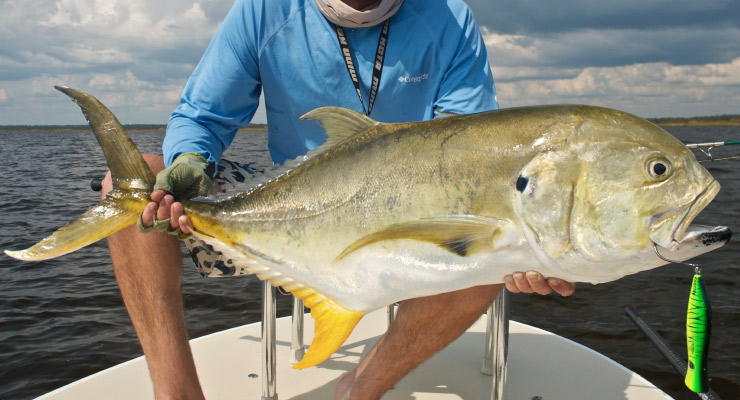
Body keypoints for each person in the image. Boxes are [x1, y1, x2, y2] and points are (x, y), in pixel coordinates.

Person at [103, 0, 576, 399]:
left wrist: (536, 251)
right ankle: (178, 393)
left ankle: (361, 388)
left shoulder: (447, 17)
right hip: (285, 211)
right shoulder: (266, 10)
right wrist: (189, 162)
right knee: (131, 183)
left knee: (493, 249)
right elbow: (202, 114)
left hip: (411, 222)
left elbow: (470, 154)